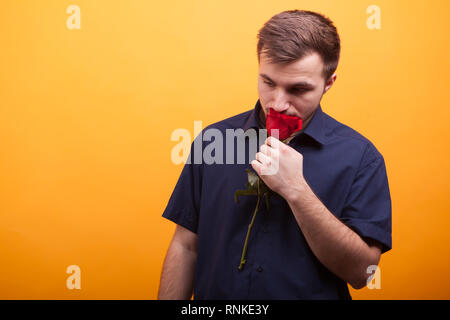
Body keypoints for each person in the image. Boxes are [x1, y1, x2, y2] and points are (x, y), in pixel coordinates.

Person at [158, 9, 392, 300]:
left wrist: (297, 191)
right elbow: (185, 245)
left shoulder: (361, 158)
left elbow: (362, 273)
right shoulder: (212, 142)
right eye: (268, 83)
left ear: (328, 83)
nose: (278, 104)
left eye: (298, 89)